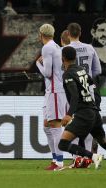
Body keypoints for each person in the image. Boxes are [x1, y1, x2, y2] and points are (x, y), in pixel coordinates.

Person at [58, 46, 106, 175]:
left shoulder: (68, 74)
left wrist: (68, 115)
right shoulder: (82, 70)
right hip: (93, 112)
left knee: (63, 144)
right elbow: (92, 85)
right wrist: (94, 103)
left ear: (63, 58)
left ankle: (93, 156)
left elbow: (75, 96)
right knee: (105, 143)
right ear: (75, 58)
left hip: (83, 113)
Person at [36, 24, 67, 170]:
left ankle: (59, 162)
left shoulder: (47, 48)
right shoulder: (56, 47)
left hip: (55, 91)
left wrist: (38, 64)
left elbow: (47, 73)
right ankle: (55, 159)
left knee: (55, 126)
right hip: (52, 91)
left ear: (41, 34)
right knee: (47, 126)